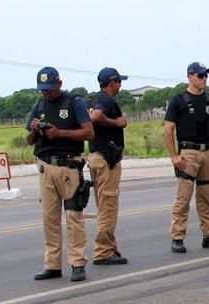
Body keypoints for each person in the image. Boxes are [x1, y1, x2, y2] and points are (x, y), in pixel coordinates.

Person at [25, 67, 94, 282]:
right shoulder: (39, 105)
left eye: (49, 88)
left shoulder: (74, 102)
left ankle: (77, 262)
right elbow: (29, 139)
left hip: (68, 166)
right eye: (42, 90)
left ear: (59, 84)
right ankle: (52, 265)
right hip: (46, 167)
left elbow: (89, 132)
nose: (46, 93)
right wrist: (36, 130)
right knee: (50, 219)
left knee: (73, 217)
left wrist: (60, 133)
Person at [164, 61, 209, 253]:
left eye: (206, 76)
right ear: (190, 76)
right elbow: (168, 129)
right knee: (183, 198)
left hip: (208, 151)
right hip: (188, 152)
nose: (204, 79)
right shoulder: (179, 100)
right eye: (200, 75)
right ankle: (177, 236)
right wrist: (173, 156)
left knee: (206, 197)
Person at [88, 67, 129, 265]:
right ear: (112, 83)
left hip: (97, 157)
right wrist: (117, 122)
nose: (121, 85)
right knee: (108, 207)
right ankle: (103, 251)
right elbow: (96, 117)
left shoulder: (95, 98)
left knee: (104, 205)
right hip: (106, 160)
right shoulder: (105, 100)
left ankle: (110, 246)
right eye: (119, 81)